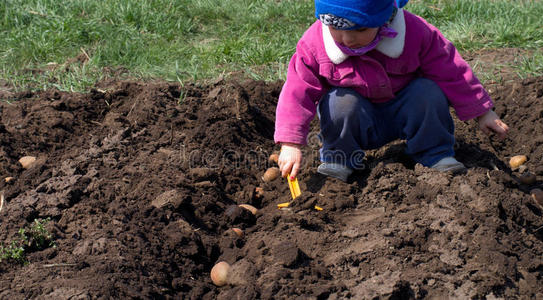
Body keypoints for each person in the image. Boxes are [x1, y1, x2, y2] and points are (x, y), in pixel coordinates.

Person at [274, 0, 509, 182]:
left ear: (384, 17)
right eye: (335, 27)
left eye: (361, 28)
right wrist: (290, 143)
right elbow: (297, 91)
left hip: (405, 111)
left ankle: (435, 153)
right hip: (356, 118)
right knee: (338, 101)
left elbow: (451, 71)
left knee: (427, 92)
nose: (347, 39)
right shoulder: (314, 45)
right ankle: (340, 157)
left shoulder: (415, 33)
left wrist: (483, 112)